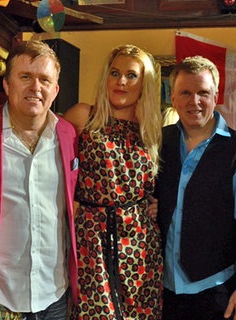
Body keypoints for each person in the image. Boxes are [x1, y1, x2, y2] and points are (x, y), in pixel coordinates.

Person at [0, 40, 79, 320]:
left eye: (44, 80)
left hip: (55, 297)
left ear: (55, 90)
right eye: (25, 77)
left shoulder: (69, 135)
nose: (35, 87)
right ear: (6, 84)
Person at [154, 55, 236, 320]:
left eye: (203, 93)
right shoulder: (158, 142)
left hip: (215, 291)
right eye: (185, 92)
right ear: (173, 96)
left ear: (215, 96)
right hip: (161, 288)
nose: (194, 102)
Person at [63, 44, 164, 319]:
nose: (121, 81)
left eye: (131, 75)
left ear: (145, 83)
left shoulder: (153, 129)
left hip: (140, 244)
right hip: (91, 241)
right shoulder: (85, 116)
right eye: (115, 73)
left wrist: (157, 205)